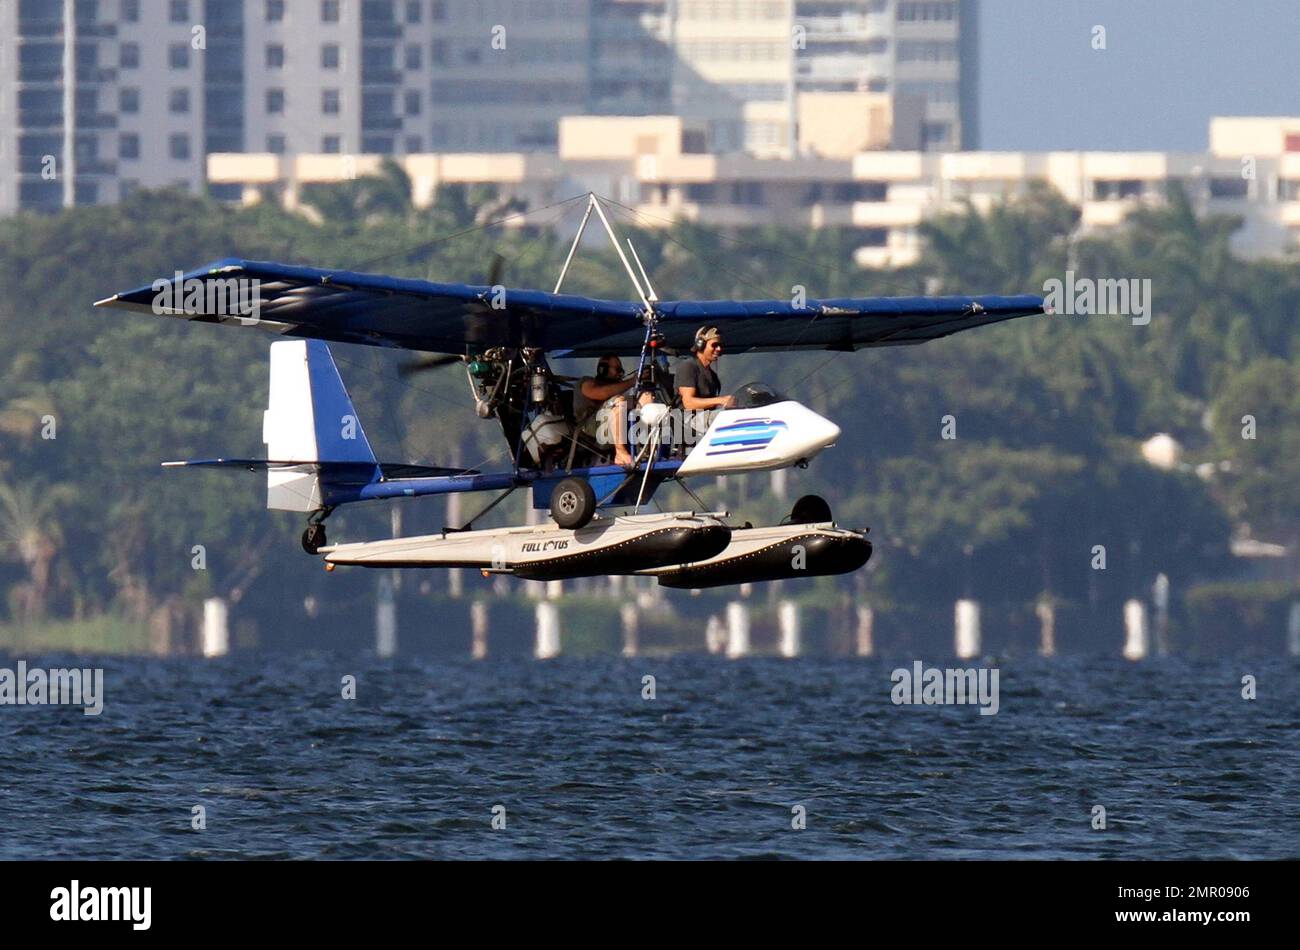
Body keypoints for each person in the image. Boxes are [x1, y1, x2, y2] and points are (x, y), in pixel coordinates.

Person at [676, 325, 734, 448]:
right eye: (714, 345)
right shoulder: (688, 366)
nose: (718, 349)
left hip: (704, 421)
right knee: (725, 417)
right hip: (687, 422)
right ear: (701, 344)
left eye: (720, 345)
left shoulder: (712, 375)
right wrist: (721, 400)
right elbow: (688, 403)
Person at [573, 354, 635, 466]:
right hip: (589, 429)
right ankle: (620, 453)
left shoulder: (616, 387)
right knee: (618, 401)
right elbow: (601, 393)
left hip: (612, 429)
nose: (620, 374)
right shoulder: (586, 382)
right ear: (603, 369)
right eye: (617, 369)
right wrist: (632, 382)